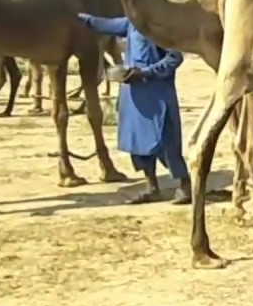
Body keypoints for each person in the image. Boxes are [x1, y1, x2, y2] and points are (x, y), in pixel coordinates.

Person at [76, 13, 190, 205]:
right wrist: (77, 16)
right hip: (134, 95)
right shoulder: (131, 24)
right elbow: (102, 24)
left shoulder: (160, 28)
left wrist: (146, 73)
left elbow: (175, 58)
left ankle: (185, 185)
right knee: (138, 143)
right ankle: (152, 187)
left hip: (157, 93)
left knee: (166, 141)